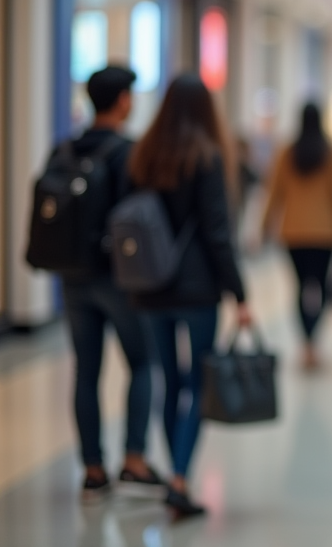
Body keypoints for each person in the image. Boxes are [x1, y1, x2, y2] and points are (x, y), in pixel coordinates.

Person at [127, 74, 252, 520]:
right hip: (197, 289)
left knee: (170, 382)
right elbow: (218, 232)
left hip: (150, 288)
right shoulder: (207, 156)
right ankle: (180, 477)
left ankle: (175, 473)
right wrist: (239, 291)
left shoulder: (142, 154)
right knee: (198, 382)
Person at [56, 67, 164, 501]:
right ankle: (134, 459)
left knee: (86, 371)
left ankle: (93, 468)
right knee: (141, 363)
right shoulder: (129, 154)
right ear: (122, 100)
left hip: (73, 276)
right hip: (121, 278)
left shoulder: (63, 150)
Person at [261, 103, 332, 370]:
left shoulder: (287, 153)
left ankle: (306, 344)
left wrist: (264, 227)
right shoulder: (331, 154)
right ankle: (314, 341)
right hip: (326, 233)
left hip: (294, 232)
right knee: (321, 287)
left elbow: (274, 193)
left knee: (300, 288)